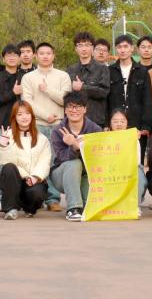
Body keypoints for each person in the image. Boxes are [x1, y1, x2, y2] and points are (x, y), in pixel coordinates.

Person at [21, 42, 70, 212]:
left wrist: (48, 90)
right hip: (37, 124)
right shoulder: (28, 77)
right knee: (37, 161)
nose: (45, 56)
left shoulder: (63, 76)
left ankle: (53, 199)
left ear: (53, 55)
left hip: (59, 125)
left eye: (48, 53)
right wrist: (45, 115)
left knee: (55, 161)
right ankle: (39, 196)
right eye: (41, 53)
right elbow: (27, 101)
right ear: (36, 56)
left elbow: (66, 100)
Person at [49, 91, 103, 221]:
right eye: (70, 106)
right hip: (61, 176)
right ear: (65, 110)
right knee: (74, 163)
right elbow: (61, 158)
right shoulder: (57, 131)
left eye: (78, 106)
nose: (74, 110)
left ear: (85, 109)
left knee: (89, 209)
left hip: (87, 176)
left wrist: (78, 146)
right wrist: (73, 147)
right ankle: (73, 208)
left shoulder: (95, 130)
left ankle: (82, 204)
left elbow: (98, 157)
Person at [0, 101, 52, 220]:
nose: (24, 117)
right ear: (14, 117)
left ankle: (29, 208)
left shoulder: (42, 139)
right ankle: (11, 209)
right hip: (15, 180)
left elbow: (44, 162)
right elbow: (5, 163)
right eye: (20, 114)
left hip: (33, 180)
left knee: (37, 193)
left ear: (32, 116)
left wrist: (35, 177)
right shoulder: (7, 136)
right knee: (9, 168)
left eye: (27, 113)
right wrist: (3, 146)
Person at [108, 35, 152, 160]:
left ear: (132, 48)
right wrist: (107, 123)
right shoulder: (109, 71)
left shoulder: (142, 71)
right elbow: (107, 99)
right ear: (116, 49)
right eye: (119, 47)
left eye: (125, 46)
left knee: (136, 160)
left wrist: (146, 126)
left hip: (136, 125)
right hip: (116, 124)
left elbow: (148, 99)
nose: (122, 50)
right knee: (116, 159)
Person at [0, 44, 26, 168]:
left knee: (21, 161)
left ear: (19, 58)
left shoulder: (25, 78)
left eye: (15, 55)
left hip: (21, 126)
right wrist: (12, 93)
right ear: (3, 59)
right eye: (8, 55)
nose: (12, 58)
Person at [67, 32, 111, 127]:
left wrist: (82, 87)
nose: (84, 49)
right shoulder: (70, 70)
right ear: (76, 49)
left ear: (92, 48)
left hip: (96, 121)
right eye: (80, 45)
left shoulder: (102, 69)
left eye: (87, 45)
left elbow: (104, 92)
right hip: (75, 121)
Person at [106, 109, 146, 204]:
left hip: (131, 168)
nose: (119, 124)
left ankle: (135, 205)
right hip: (112, 169)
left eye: (122, 121)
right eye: (115, 121)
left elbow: (136, 161)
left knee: (139, 176)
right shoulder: (105, 138)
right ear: (110, 123)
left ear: (127, 123)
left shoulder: (133, 137)